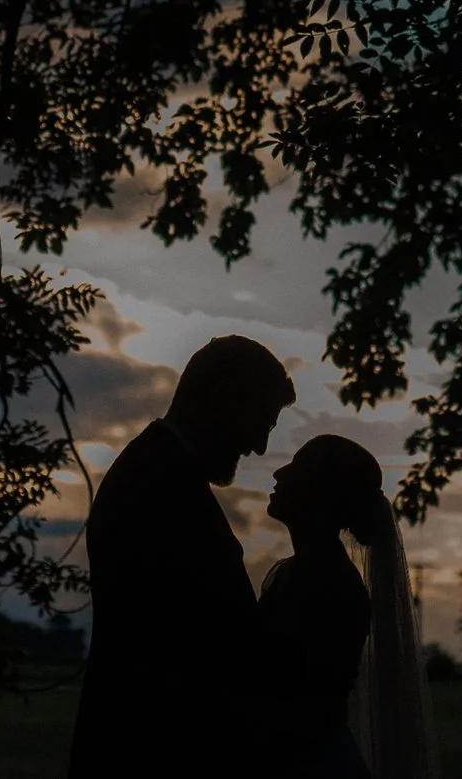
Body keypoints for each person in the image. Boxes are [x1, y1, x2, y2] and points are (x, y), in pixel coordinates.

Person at [65, 334, 296, 778]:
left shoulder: (160, 471)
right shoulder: (161, 483)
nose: (260, 448)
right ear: (225, 398)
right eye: (261, 425)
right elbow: (196, 647)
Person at [260, 434, 439, 779]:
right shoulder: (294, 574)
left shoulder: (332, 586)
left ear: (324, 496)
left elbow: (306, 707)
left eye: (300, 467)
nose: (279, 473)